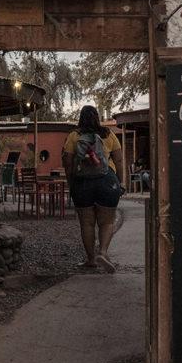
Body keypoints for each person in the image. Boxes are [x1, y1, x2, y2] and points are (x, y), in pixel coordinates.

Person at [62, 106, 123, 273]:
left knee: (87, 224)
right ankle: (102, 252)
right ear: (97, 117)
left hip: (82, 183)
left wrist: (71, 182)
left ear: (81, 118)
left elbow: (67, 162)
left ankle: (91, 260)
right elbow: (118, 160)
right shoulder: (108, 134)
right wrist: (121, 181)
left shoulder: (75, 136)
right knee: (107, 221)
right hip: (107, 181)